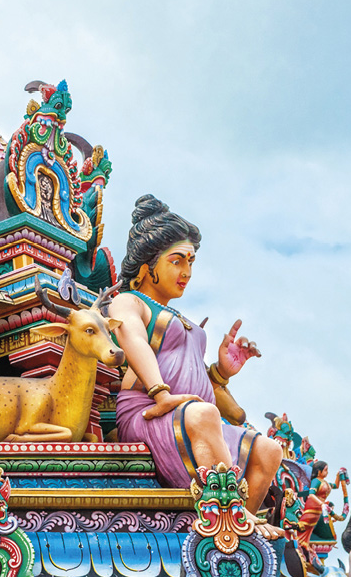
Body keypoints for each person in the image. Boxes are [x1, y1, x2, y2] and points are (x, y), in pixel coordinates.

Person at [108, 195, 283, 538]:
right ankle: (234, 518)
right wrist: (159, 392)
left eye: (190, 261)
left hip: (189, 415)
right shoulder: (130, 302)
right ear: (147, 266)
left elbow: (193, 377)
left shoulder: (183, 319)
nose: (186, 271)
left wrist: (221, 372)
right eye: (176, 261)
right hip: (148, 412)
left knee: (268, 449)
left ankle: (236, 528)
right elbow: (133, 339)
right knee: (203, 414)